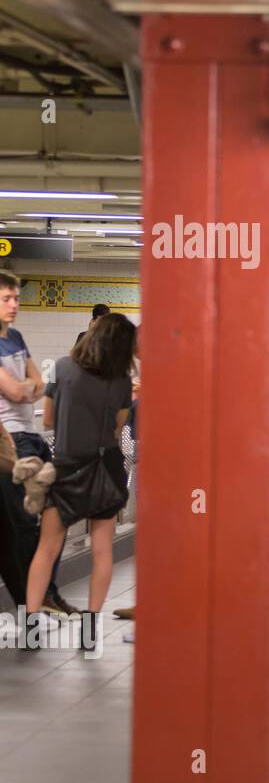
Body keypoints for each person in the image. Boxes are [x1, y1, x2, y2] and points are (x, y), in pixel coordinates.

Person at [25, 313, 136, 652]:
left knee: (46, 548)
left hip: (67, 469)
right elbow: (118, 431)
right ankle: (89, 633)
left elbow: (47, 417)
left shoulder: (61, 367)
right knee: (102, 549)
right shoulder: (120, 381)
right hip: (105, 469)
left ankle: (30, 628)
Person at [0, 270, 74, 616]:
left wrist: (28, 387)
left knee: (52, 517)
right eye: (6, 299)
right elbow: (20, 390)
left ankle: (42, 594)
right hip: (10, 443)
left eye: (16, 298)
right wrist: (26, 388)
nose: (14, 305)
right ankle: (37, 596)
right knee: (27, 523)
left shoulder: (16, 337)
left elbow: (40, 385)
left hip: (31, 437)